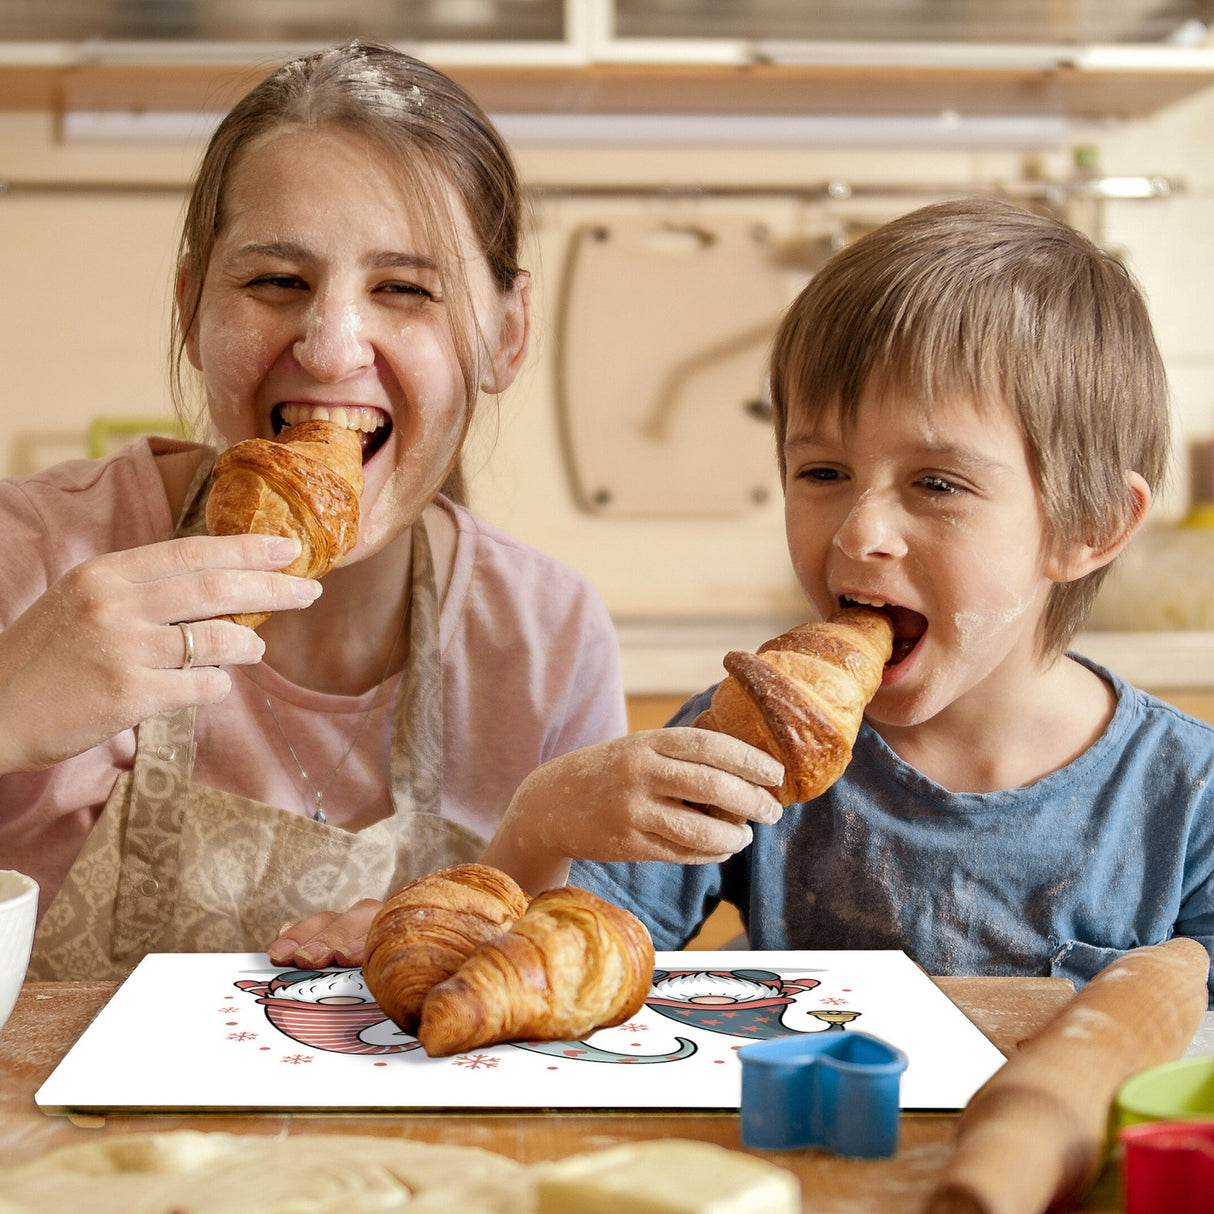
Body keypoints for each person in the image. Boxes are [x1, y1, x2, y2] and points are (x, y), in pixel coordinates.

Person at [1, 40, 630, 981]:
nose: (333, 347)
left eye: (405, 290)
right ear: (190, 309)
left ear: (507, 334)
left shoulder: (545, 638)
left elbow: (578, 985)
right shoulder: (35, 557)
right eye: (275, 282)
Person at [486, 196, 1214, 1000]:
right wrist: (540, 818)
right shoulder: (747, 741)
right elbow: (550, 969)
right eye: (824, 474)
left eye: (937, 483)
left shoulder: (1187, 799)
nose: (860, 531)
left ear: (1091, 524)